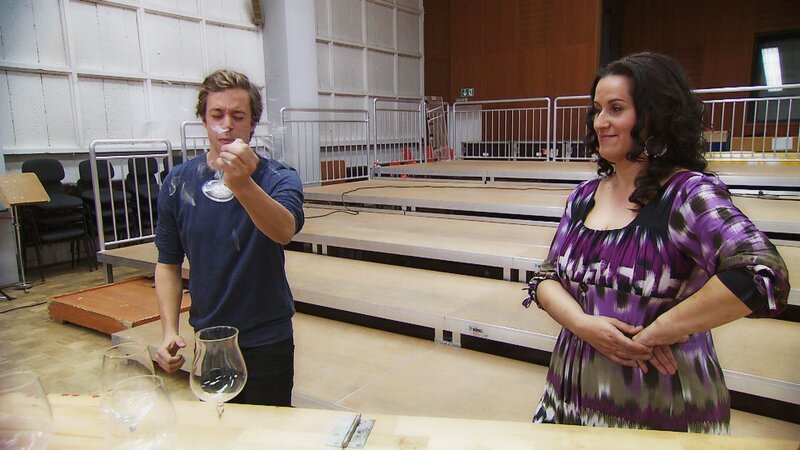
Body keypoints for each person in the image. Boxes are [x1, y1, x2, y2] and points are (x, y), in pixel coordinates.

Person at [523, 52, 789, 433]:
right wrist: (583, 325)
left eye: (616, 109)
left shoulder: (687, 194)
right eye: (597, 109)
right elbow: (546, 276)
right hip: (573, 389)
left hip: (660, 400)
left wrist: (655, 333)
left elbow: (762, 274)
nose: (601, 122)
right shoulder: (583, 195)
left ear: (655, 117)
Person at [154, 69, 304, 406]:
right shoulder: (178, 183)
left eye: (238, 116)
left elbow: (284, 230)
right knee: (221, 433)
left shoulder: (279, 176)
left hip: (267, 338)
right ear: (203, 120)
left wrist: (242, 184)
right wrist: (169, 330)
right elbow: (167, 264)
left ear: (253, 123)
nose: (226, 125)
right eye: (216, 115)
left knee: (270, 432)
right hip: (210, 340)